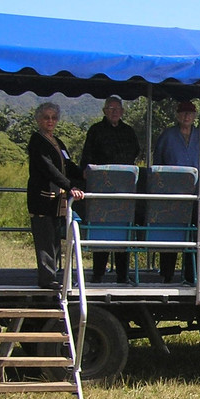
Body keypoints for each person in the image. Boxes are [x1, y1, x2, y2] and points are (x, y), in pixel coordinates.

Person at [81, 96, 140, 283]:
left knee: (123, 231)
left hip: (124, 188)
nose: (114, 112)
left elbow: (135, 152)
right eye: (110, 108)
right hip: (103, 188)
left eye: (117, 109)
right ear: (104, 111)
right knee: (102, 230)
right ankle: (98, 273)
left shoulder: (129, 131)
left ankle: (123, 275)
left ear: (122, 111)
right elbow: (87, 156)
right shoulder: (95, 131)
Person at [27, 102, 84, 290]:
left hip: (57, 200)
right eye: (46, 117)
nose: (50, 121)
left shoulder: (57, 141)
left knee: (55, 239)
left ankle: (56, 275)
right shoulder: (37, 141)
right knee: (45, 238)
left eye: (53, 117)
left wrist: (85, 173)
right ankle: (47, 279)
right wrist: (70, 187)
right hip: (43, 198)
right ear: (38, 120)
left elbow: (67, 164)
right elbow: (49, 169)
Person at [154, 101, 200, 283]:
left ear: (195, 117)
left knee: (194, 233)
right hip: (171, 192)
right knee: (170, 233)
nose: (187, 116)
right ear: (177, 115)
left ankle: (191, 274)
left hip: (195, 191)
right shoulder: (168, 135)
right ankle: (167, 274)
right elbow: (158, 159)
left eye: (190, 113)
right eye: (183, 112)